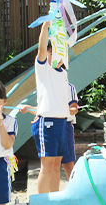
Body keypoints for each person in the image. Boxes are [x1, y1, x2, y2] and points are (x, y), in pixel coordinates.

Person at [32, 21, 70, 193]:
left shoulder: (64, 74)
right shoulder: (43, 68)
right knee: (47, 166)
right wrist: (45, 28)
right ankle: (41, 201)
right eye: (52, 51)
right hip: (47, 122)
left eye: (59, 51)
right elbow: (40, 50)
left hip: (63, 123)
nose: (55, 55)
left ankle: (54, 200)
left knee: (56, 165)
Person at [20, 81, 78, 180]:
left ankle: (76, 191)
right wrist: (29, 108)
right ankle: (51, 194)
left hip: (65, 125)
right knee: (50, 165)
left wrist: (58, 110)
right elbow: (43, 111)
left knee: (68, 164)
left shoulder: (68, 86)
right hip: (48, 128)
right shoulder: (44, 86)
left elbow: (74, 109)